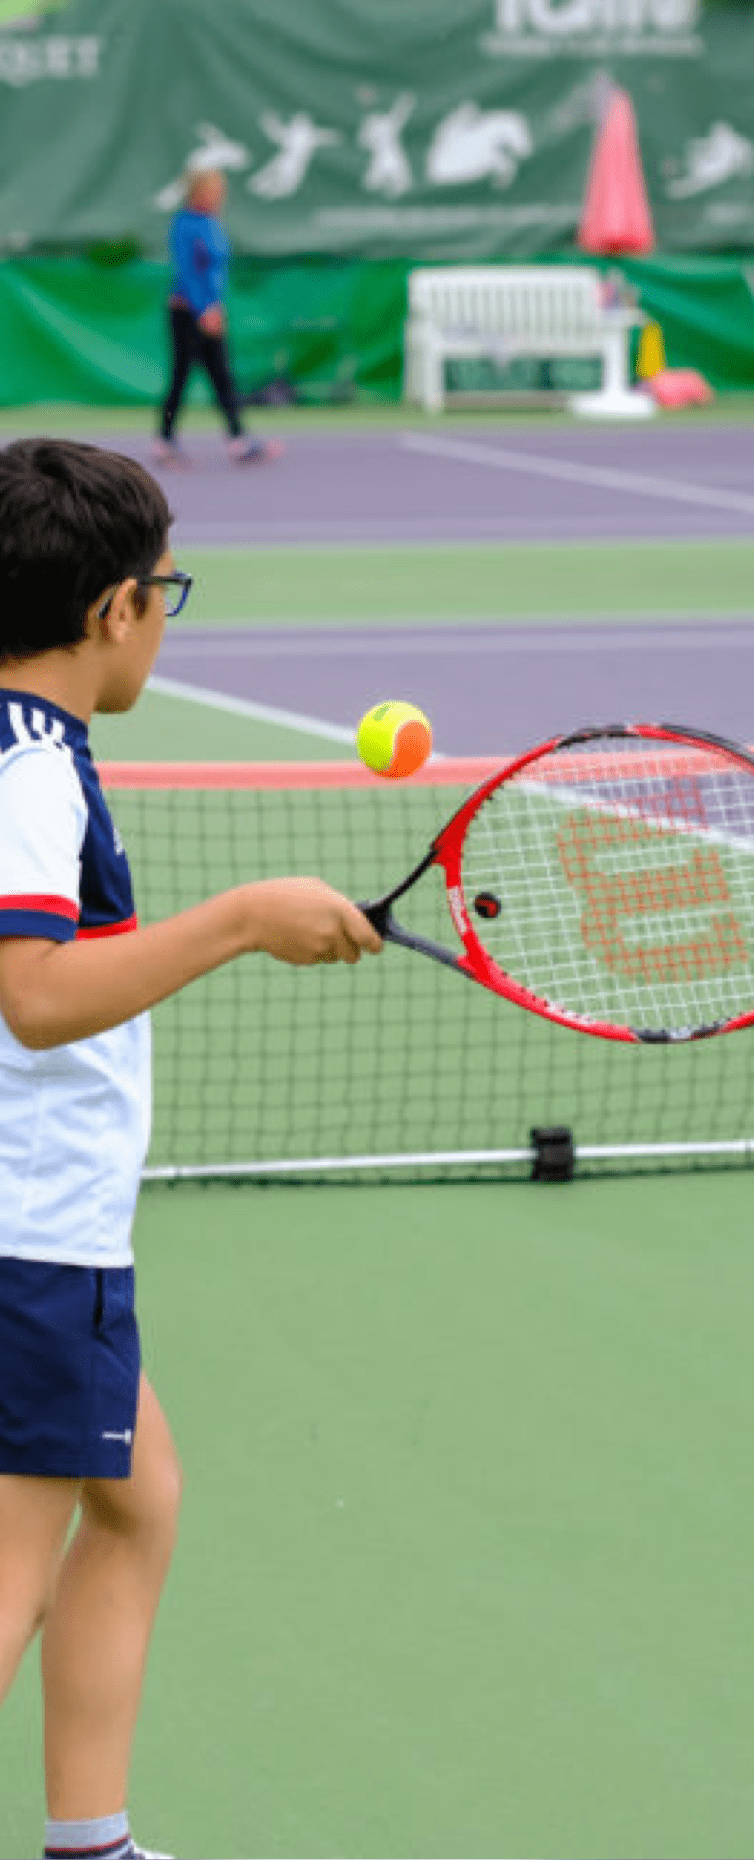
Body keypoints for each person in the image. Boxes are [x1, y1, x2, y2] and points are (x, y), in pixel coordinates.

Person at [0, 438, 381, 1860]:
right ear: (116, 610)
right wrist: (238, 920)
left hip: (49, 1240)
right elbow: (34, 1000)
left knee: (138, 1505)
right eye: (165, 587)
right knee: (8, 1575)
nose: (164, 611)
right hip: (28, 1240)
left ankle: (88, 1842)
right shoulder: (29, 771)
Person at [154, 164, 281, 467]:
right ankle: (164, 441)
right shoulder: (184, 224)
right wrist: (204, 309)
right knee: (180, 379)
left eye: (220, 190)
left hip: (212, 312)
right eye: (213, 190)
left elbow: (215, 272)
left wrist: (215, 306)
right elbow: (186, 271)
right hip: (187, 313)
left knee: (223, 377)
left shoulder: (213, 223)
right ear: (198, 192)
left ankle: (238, 441)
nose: (219, 196)